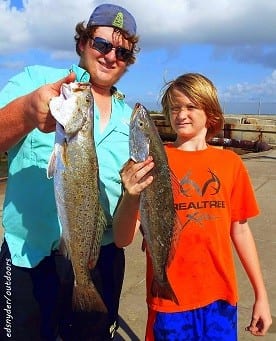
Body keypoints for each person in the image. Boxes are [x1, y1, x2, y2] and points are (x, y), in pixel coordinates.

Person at [0, 3, 139, 340]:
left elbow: (125, 226)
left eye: (122, 51)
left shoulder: (130, 119)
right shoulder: (36, 79)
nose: (110, 56)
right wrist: (28, 112)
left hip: (99, 259)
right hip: (28, 258)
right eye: (102, 44)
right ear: (82, 43)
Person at [113, 73, 272, 340]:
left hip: (221, 297)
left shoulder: (230, 164)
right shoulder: (151, 163)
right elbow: (121, 238)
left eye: (191, 106)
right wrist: (130, 196)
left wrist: (261, 295)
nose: (181, 114)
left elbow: (241, 231)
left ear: (210, 112)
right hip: (169, 301)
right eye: (175, 108)